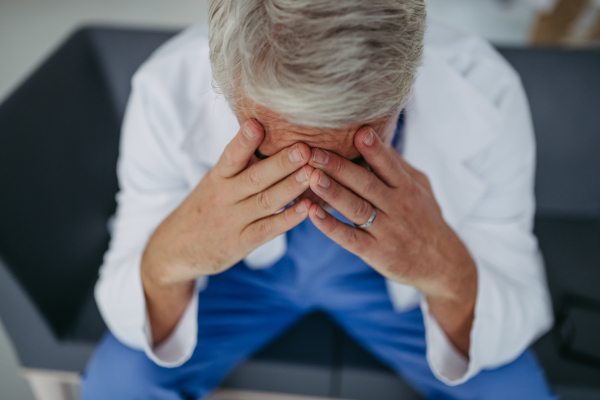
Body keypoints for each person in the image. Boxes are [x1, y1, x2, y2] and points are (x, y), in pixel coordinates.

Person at [81, 1, 556, 399]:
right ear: (228, 90)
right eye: (271, 153)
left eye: (352, 159)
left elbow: (520, 303)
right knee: (117, 384)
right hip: (239, 279)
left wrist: (445, 269)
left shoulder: (488, 90)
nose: (312, 188)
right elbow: (125, 293)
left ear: (405, 90)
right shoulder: (165, 88)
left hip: (397, 288)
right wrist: (175, 252)